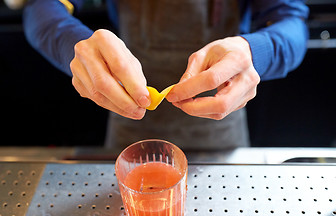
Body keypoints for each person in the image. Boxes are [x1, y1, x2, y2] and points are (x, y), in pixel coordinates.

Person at [23, 0, 309, 151]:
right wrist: (72, 44)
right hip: (129, 121)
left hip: (222, 120)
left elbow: (291, 22)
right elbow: (41, 6)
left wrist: (255, 52)